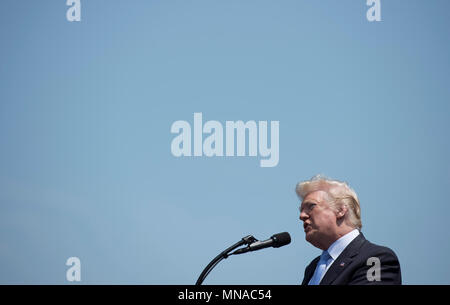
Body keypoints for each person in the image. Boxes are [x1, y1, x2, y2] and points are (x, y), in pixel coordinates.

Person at [296, 175, 401, 285]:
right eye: (301, 210)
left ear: (340, 210)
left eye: (311, 206)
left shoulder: (374, 258)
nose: (302, 215)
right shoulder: (313, 267)